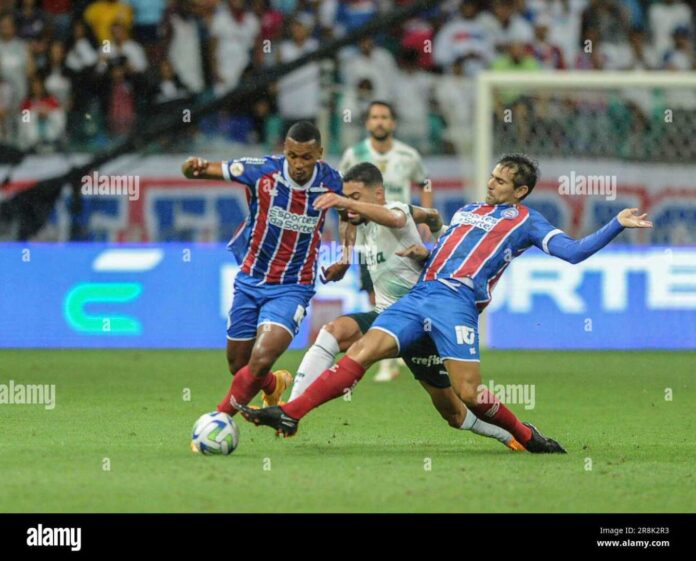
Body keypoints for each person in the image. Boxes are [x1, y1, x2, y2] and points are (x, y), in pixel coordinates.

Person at [240, 153, 654, 453]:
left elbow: (574, 251)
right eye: (491, 176)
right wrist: (426, 255)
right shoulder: (469, 210)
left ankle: (526, 436)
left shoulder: (527, 221)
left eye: (500, 181)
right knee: (362, 350)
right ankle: (291, 412)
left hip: (455, 304)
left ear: (520, 191)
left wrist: (616, 224)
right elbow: (446, 251)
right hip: (422, 293)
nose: (490, 184)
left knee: (468, 398)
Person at [288, 162, 524, 450]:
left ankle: (509, 435)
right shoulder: (358, 216)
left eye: (355, 198)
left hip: (423, 322)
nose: (349, 206)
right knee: (333, 331)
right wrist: (346, 256)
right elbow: (421, 215)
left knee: (454, 412)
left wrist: (434, 242)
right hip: (386, 317)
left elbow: (399, 219)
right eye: (346, 197)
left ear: (378, 195)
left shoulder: (396, 210)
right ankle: (289, 412)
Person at [181, 121, 345, 422]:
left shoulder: (332, 181)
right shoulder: (262, 171)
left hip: (293, 286)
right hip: (251, 279)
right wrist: (192, 167)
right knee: (238, 364)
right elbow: (203, 171)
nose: (298, 164)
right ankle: (274, 383)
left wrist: (347, 256)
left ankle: (219, 419)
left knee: (261, 356)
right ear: (285, 151)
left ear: (319, 154)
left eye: (306, 157)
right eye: (292, 156)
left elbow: (350, 213)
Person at [339, 100, 430, 382]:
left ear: (392, 123)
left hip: (401, 232)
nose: (379, 122)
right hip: (370, 234)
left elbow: (424, 183)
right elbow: (344, 198)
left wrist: (425, 219)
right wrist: (345, 243)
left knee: (411, 287)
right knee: (374, 292)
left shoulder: (408, 155)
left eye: (385, 117)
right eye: (374, 117)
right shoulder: (353, 155)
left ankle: (414, 345)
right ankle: (388, 357)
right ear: (367, 123)